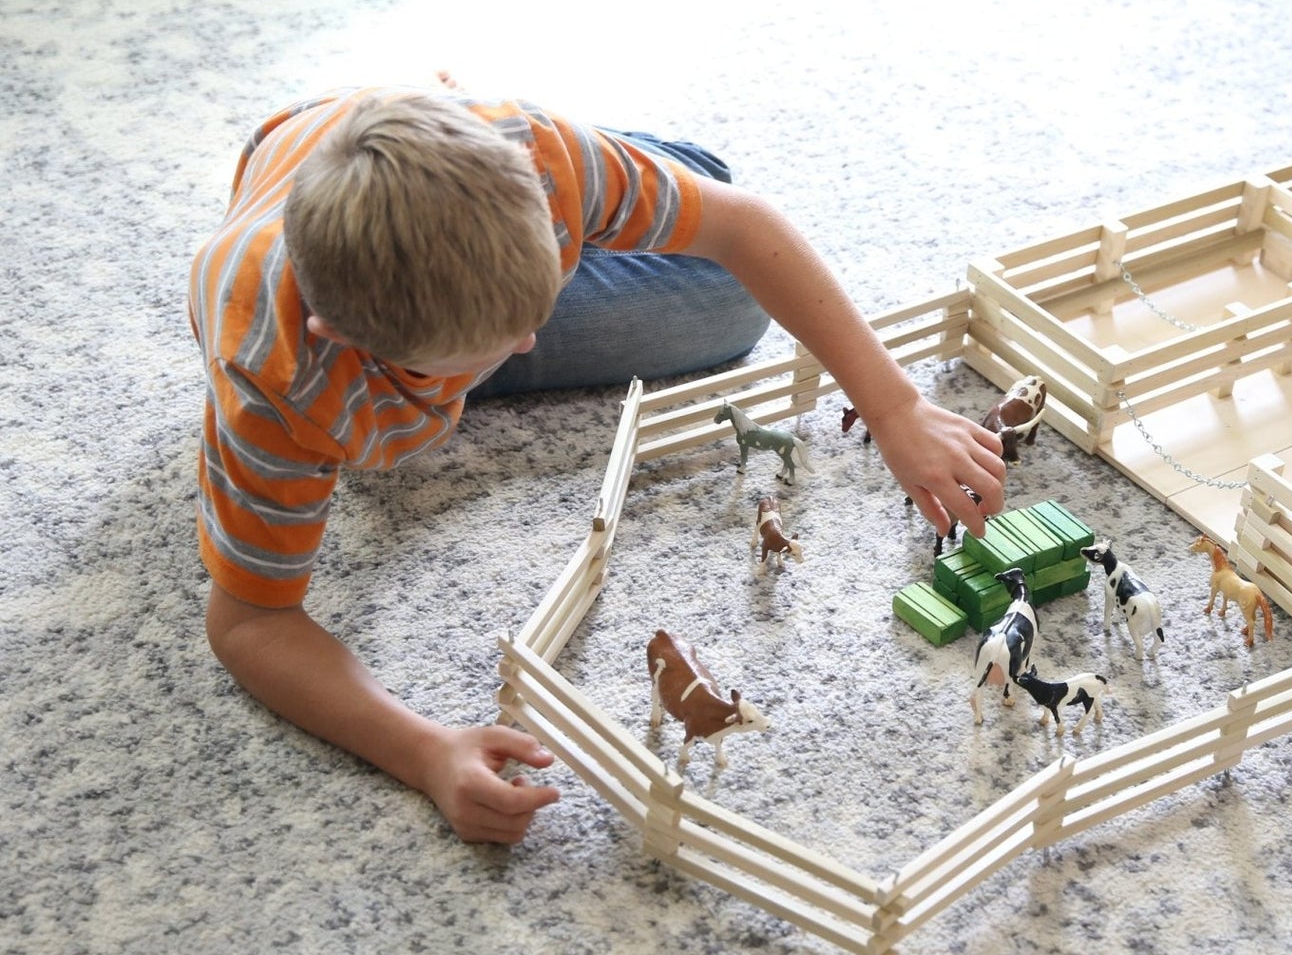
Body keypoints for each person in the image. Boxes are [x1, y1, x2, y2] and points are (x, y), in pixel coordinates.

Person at [191, 85, 1007, 844]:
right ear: (351, 343)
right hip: (331, 296)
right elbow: (251, 626)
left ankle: (550, 264)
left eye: (538, 303)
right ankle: (527, 289)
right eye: (493, 346)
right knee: (724, 294)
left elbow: (743, 223)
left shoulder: (535, 156)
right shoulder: (277, 383)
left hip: (434, 142)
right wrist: (424, 751)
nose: (528, 344)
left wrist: (895, 405)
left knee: (729, 255)